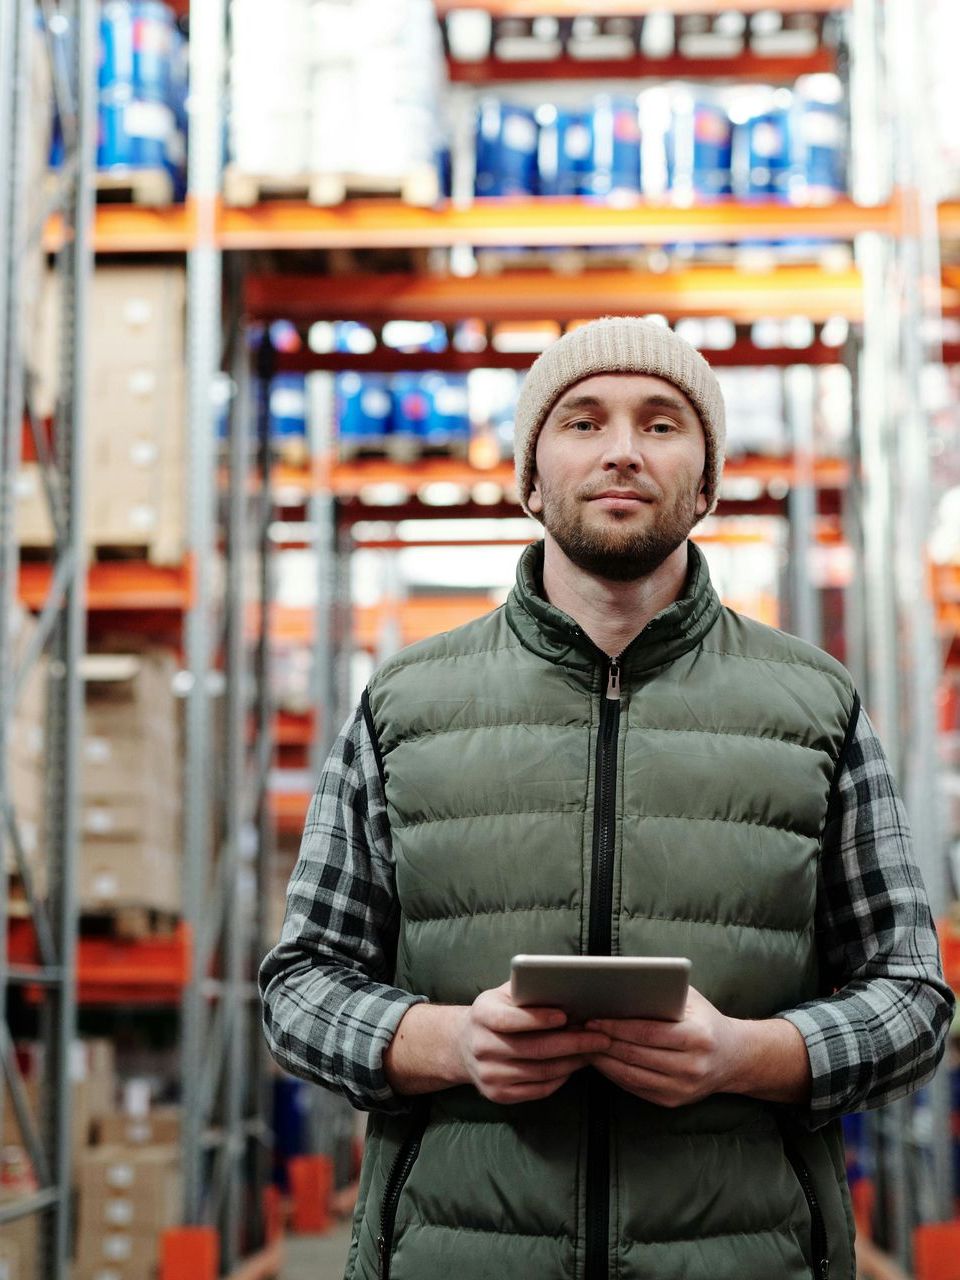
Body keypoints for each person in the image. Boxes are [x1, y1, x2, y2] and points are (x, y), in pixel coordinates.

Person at [260, 317, 955, 1280]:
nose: (623, 450)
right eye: (582, 422)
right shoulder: (402, 706)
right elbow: (299, 988)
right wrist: (452, 1043)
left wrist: (745, 1055)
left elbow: (913, 998)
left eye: (662, 424)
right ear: (531, 477)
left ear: (706, 482)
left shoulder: (816, 707)